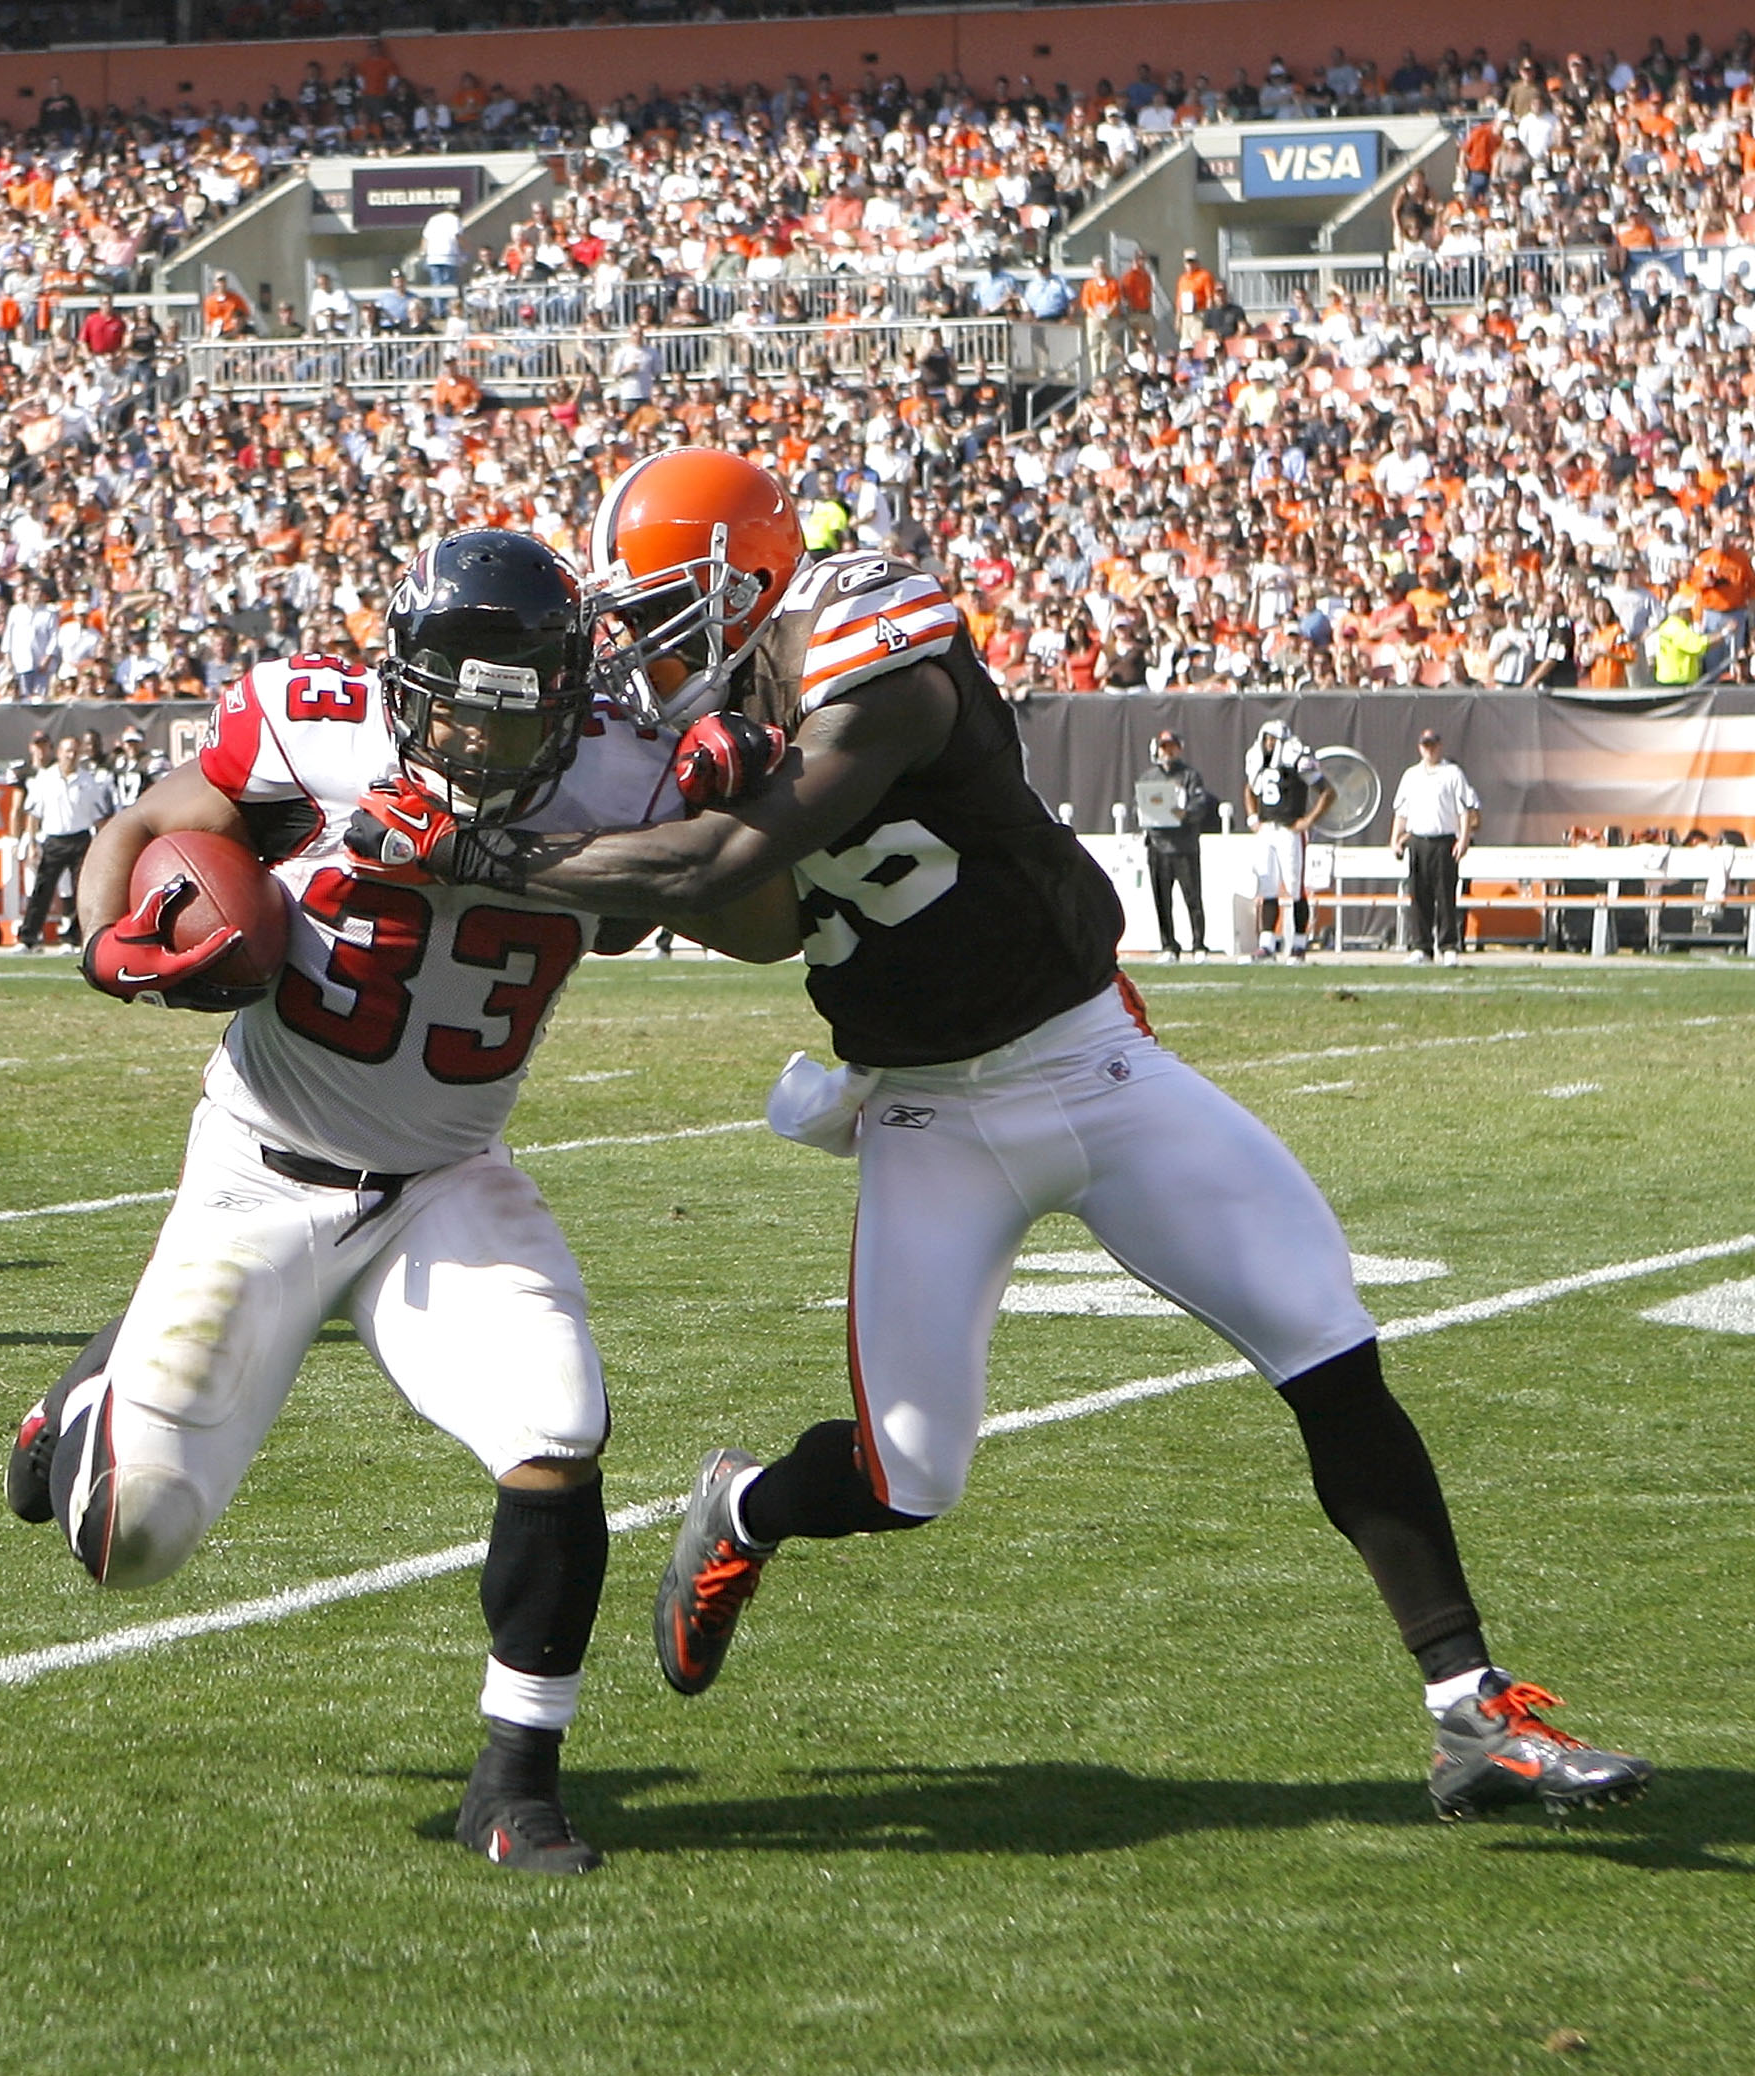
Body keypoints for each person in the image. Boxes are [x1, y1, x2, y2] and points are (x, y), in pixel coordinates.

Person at [346, 446, 1651, 1822]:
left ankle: (1470, 1711)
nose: (648, 640)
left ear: (757, 577)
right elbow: (651, 911)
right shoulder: (680, 725)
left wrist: (476, 850)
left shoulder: (875, 650)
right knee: (912, 1475)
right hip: (929, 1107)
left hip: (1093, 1055)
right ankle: (745, 1511)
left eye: (675, 602)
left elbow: (714, 869)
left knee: (1324, 1338)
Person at [9, 530, 697, 1874]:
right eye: (462, 693)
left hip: (445, 1179)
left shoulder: (633, 770)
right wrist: (109, 941)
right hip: (260, 1167)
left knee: (556, 1424)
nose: (487, 733)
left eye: (521, 699)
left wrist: (736, 793)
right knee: (130, 1543)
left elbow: (759, 912)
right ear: (401, 675)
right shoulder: (313, 725)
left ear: (571, 690)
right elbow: (148, 829)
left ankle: (514, 1780)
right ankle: (88, 1394)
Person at [13, 732, 111, 952]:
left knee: (80, 891)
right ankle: (28, 938)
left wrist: (101, 845)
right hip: (54, 838)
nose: (71, 755)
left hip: (81, 838)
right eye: (67, 751)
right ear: (59, 753)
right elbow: (34, 815)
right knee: (42, 890)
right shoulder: (45, 779)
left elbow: (99, 817)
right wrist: (31, 843)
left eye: (75, 752)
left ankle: (72, 938)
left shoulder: (88, 780)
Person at [1391, 726, 1480, 964]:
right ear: (1420, 748)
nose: (1429, 750)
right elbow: (1402, 810)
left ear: (1440, 746)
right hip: (1418, 840)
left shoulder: (1452, 774)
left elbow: (1464, 810)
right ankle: (1421, 946)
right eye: (1425, 746)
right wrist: (1395, 838)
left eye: (1433, 745)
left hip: (1444, 841)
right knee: (1419, 895)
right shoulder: (1411, 775)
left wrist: (1463, 839)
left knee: (1445, 895)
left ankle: (1449, 945)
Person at [1243, 720, 1331, 961]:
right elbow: (1250, 788)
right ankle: (1267, 944)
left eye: (1273, 739)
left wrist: (1308, 820)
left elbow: (1327, 791)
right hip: (1267, 829)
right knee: (1267, 887)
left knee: (1295, 889)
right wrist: (1253, 817)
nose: (1269, 743)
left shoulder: (1298, 760)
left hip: (1289, 830)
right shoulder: (1259, 760)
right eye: (1266, 738)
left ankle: (1299, 945)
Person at [1132, 727, 1215, 957]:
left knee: (1192, 897)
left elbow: (1200, 804)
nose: (1167, 752)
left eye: (1172, 747)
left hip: (1184, 846)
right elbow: (1137, 806)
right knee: (1162, 900)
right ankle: (1168, 944)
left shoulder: (1189, 775)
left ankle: (1198, 944)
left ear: (1179, 748)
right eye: (1163, 747)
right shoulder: (1149, 777)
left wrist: (1184, 814)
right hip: (1157, 845)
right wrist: (1142, 815)